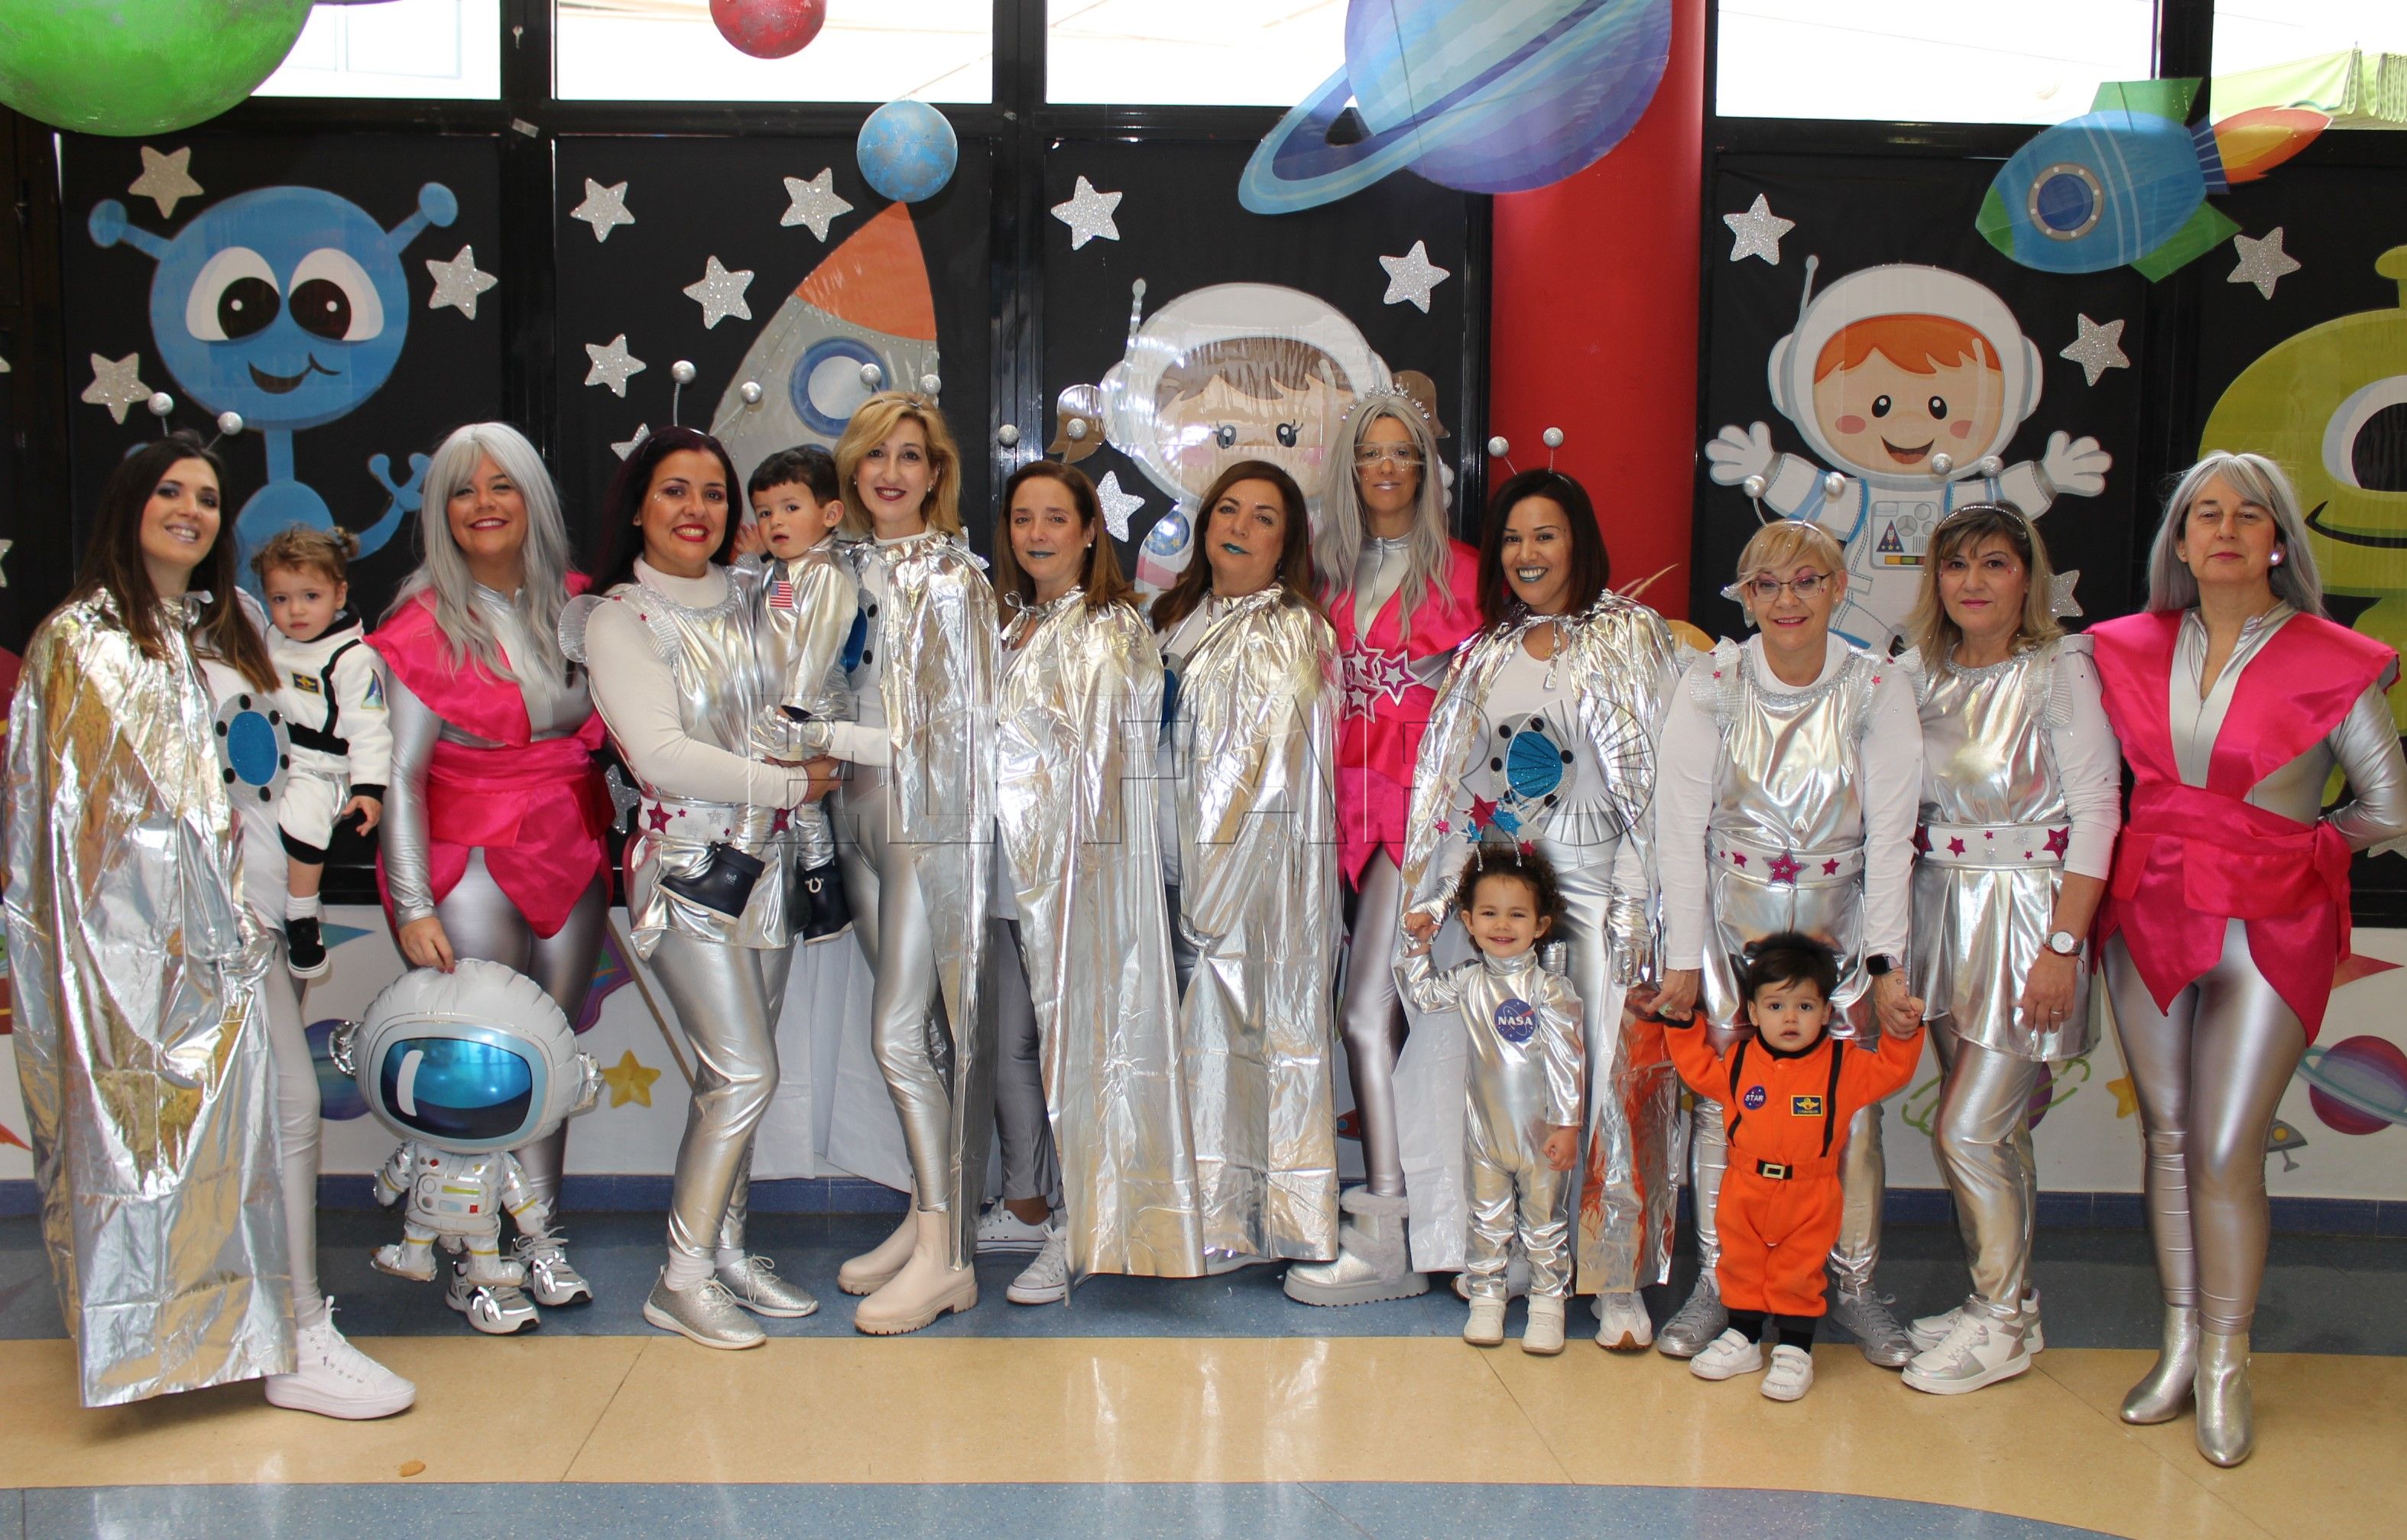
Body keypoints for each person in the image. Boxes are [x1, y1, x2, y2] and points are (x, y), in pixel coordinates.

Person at [5, 431, 410, 1416]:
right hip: (152, 946)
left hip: (250, 920)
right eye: (170, 491)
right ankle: (245, 1332)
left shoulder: (231, 620)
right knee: (176, 1139)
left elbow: (272, 757)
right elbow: (70, 814)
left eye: (207, 496)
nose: (190, 509)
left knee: (282, 1110)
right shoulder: (84, 638)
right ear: (131, 502)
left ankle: (289, 1328)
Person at [2091, 451, 2407, 1467]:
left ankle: (2227, 1356)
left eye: (2247, 513)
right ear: (2179, 541)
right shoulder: (2119, 647)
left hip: (2268, 928)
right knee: (2169, 1137)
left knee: (2226, 1150)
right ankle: (2181, 1340)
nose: (2224, 529)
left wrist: (2294, 849)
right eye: (2204, 512)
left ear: (2278, 539)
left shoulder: (2331, 656)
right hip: (2145, 920)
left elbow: (2387, 806)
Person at [1394, 469, 1685, 1351]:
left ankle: (1614, 1275)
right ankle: (1509, 1256)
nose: (1526, 553)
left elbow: (1654, 786)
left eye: (1545, 534)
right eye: (1513, 538)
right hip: (1505, 903)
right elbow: (1456, 789)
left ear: (1578, 541)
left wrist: (1634, 904)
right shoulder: (1484, 654)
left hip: (1600, 895)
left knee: (1609, 1081)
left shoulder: (1632, 636)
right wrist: (1436, 893)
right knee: (1501, 1083)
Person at [563, 425, 826, 1350]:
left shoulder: (757, 596)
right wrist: (790, 785)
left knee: (732, 1077)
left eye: (714, 493)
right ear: (639, 504)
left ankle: (725, 1251)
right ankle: (680, 1277)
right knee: (745, 1070)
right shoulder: (618, 617)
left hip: (770, 866)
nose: (696, 509)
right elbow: (663, 757)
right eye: (675, 490)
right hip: (685, 870)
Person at [1642, 517, 1924, 1367]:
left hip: (1841, 926)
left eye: (1805, 581)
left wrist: (1884, 963)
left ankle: (1854, 1286)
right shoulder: (1713, 681)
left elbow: (1891, 835)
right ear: (1745, 597)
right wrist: (1683, 960)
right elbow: (1678, 826)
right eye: (1766, 584)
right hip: (1734, 923)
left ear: (1837, 588)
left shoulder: (1875, 686)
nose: (1787, 600)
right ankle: (1718, 1283)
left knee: (1851, 1115)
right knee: (1722, 1109)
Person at [370, 422, 614, 1334]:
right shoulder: (420, 625)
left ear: (531, 498)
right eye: (463, 489)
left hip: (570, 852)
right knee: (474, 1067)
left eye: (501, 484)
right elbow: (399, 774)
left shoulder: (580, 606)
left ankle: (539, 1236)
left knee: (551, 1057)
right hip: (468, 862)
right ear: (441, 509)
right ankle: (473, 1259)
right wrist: (411, 902)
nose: (483, 504)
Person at [1893, 504, 2118, 1396]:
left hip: (2028, 914)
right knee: (1998, 1131)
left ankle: (1998, 1319)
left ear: (2027, 576)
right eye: (1956, 565)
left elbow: (2096, 812)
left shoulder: (2057, 670)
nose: (1973, 581)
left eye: (1993, 562)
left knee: (1968, 1129)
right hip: (1940, 911)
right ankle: (2009, 1299)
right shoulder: (1914, 673)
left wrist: (2062, 943)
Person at [800, 392, 1001, 1334]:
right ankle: (932, 1218)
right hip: (854, 816)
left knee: (900, 1036)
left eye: (910, 455)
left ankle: (946, 1255)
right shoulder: (830, 567)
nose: (890, 472)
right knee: (913, 1030)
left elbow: (955, 732)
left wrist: (827, 736)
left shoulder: (956, 577)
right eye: (875, 453)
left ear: (935, 472)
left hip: (927, 822)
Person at [988, 460, 1205, 1305]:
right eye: (1022, 518)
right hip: (1008, 867)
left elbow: (1103, 764)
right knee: (1014, 1039)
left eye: (1055, 518)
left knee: (1078, 1043)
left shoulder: (1110, 628)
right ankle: (1027, 1200)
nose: (1036, 533)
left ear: (1088, 532)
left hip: (1078, 876)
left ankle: (1080, 1224)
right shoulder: (1010, 624)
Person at [1285, 388, 1481, 1308]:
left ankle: (1392, 1228)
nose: (1386, 467)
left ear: (1424, 468)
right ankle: (1433, 1223)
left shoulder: (1469, 575)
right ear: (1349, 467)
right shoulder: (1323, 574)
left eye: (1403, 451)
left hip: (1428, 824)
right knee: (1380, 1013)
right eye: (1370, 452)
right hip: (1338, 817)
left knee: (1370, 1012)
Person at [1153, 460, 1341, 1267]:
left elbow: (1274, 777)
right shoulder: (1170, 617)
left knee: (1254, 1040)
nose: (1239, 526)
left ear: (1286, 542)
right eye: (1227, 509)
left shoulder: (1293, 630)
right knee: (1181, 1047)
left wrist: (1217, 886)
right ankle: (1186, 1206)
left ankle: (1248, 1218)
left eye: (1264, 517)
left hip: (1249, 884)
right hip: (1161, 866)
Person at [1666, 933, 1925, 1402]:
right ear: (1753, 1012)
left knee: (1798, 1271)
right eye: (1776, 1006)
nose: (1790, 1018)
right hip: (1744, 1187)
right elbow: (1697, 1069)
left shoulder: (1843, 1066)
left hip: (1810, 1193)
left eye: (1805, 1007)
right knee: (1741, 1264)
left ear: (1826, 1013)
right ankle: (1744, 1338)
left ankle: (1794, 1347)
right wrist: (1682, 1026)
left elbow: (1893, 1070)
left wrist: (1904, 1033)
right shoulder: (1739, 1061)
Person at [1397, 845, 1583, 1355]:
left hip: (1541, 1136)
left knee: (1545, 1223)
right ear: (1468, 921)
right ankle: (1486, 1298)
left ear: (1541, 924)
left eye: (1517, 914)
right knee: (1486, 1220)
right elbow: (1423, 994)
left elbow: (1568, 1062)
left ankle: (1548, 1305)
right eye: (1489, 913)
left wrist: (1567, 1125)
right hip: (1484, 1137)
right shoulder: (1467, 981)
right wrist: (1417, 946)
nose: (1502, 925)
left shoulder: (1551, 990)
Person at [719, 443, 855, 942]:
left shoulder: (824, 574)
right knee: (805, 804)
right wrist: (750, 561)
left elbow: (819, 644)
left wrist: (794, 709)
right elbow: (755, 619)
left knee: (764, 776)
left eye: (790, 507)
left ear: (830, 514)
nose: (775, 521)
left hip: (808, 706)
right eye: (764, 512)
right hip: (786, 704)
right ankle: (825, 897)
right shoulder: (785, 571)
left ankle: (733, 875)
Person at [251, 525, 390, 980]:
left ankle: (302, 918)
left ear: (339, 594)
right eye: (281, 599)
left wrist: (369, 789)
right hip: (272, 755)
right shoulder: (272, 638)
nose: (295, 611)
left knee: (302, 821)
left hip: (324, 768)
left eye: (310, 596)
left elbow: (371, 728)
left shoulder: (353, 658)